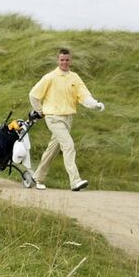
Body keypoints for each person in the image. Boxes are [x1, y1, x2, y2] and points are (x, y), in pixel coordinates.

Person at [28, 48, 104, 191]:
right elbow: (33, 95)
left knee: (52, 150)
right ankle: (75, 181)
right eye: (62, 60)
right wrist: (40, 111)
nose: (64, 62)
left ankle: (37, 177)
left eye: (67, 60)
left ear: (70, 61)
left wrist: (95, 104)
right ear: (58, 60)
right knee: (68, 145)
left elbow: (84, 95)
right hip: (53, 118)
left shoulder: (74, 77)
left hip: (68, 119)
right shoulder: (50, 77)